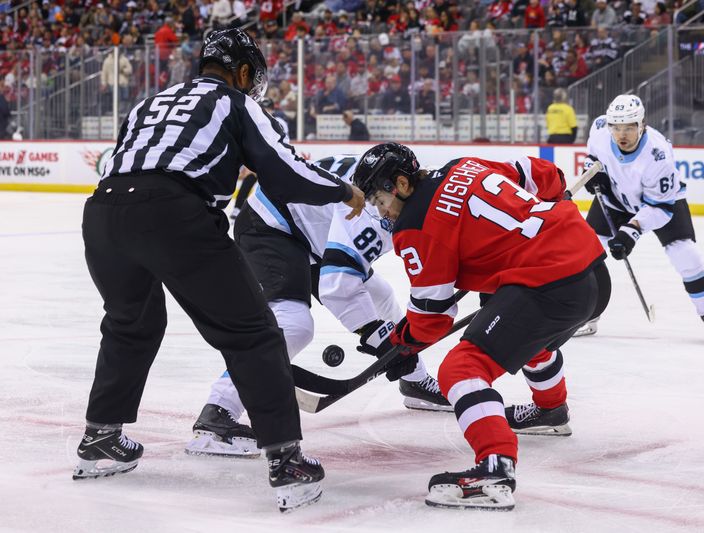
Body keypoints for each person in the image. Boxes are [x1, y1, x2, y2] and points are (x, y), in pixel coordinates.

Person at [73, 28, 365, 513]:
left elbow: (122, 161)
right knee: (253, 333)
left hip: (103, 213)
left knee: (131, 325)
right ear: (244, 72)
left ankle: (100, 437)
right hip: (173, 213)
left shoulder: (151, 102)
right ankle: (287, 461)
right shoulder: (236, 102)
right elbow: (285, 171)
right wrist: (343, 190)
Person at [351, 143, 611, 510]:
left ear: (402, 184)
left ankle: (495, 468)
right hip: (591, 271)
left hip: (548, 281)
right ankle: (551, 410)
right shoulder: (464, 165)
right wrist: (552, 199)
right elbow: (543, 174)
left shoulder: (415, 227)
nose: (382, 212)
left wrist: (400, 344)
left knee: (461, 369)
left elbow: (432, 318)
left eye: (380, 200)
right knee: (528, 334)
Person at [186, 154, 452, 458]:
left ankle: (414, 380)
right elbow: (339, 285)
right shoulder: (372, 213)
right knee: (294, 324)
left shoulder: (397, 187)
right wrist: (378, 337)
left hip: (313, 232)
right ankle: (216, 413)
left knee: (380, 295)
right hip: (272, 223)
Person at [576, 95, 704, 341]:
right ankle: (588, 314)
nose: (622, 134)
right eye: (616, 127)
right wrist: (592, 171)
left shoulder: (658, 156)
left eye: (629, 127)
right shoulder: (599, 128)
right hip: (615, 198)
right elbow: (592, 156)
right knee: (583, 253)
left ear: (642, 124)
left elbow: (659, 207)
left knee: (686, 254)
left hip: (662, 201)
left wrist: (631, 231)